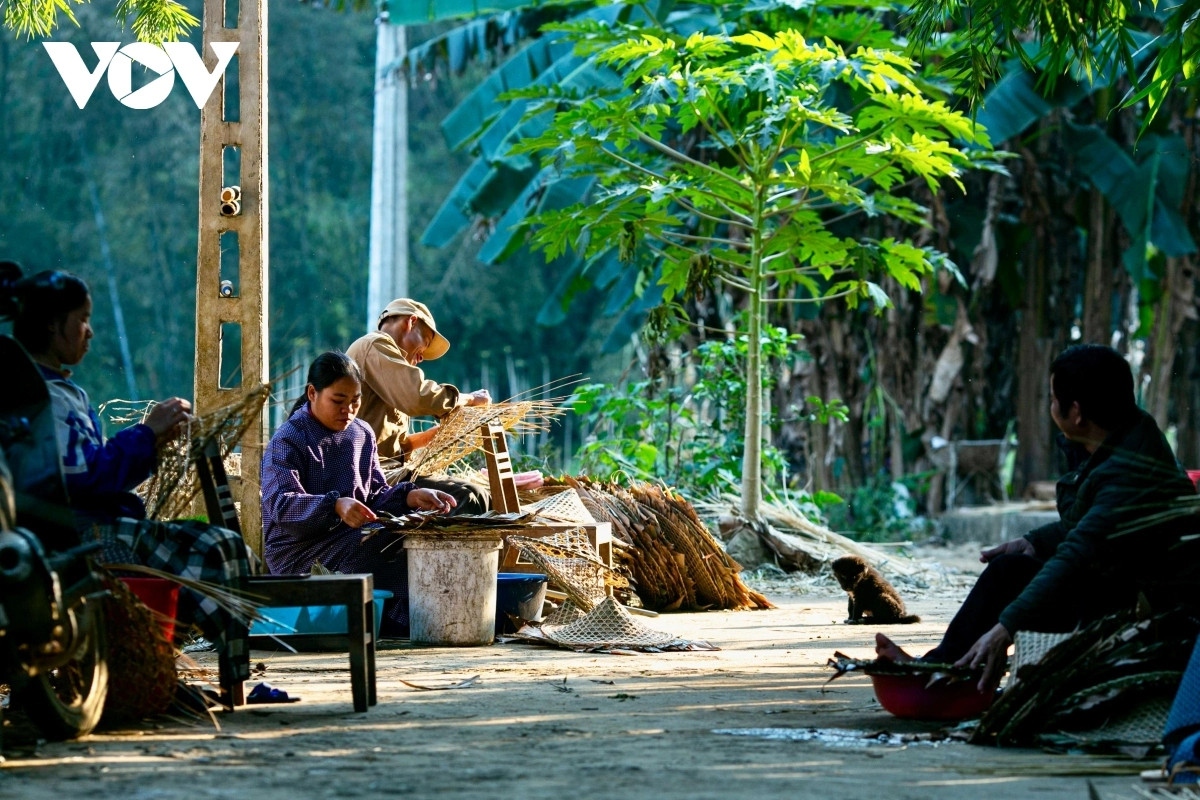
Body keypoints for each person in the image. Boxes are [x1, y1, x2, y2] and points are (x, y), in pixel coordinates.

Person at [876, 344, 1198, 691]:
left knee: (1012, 575)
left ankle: (949, 671)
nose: (1049, 406)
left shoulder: (1128, 469)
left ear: (1075, 412)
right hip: (1125, 583)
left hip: (1149, 610)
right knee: (1011, 567)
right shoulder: (1126, 435)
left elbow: (1078, 552)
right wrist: (1033, 541)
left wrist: (1005, 628)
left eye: (1051, 397)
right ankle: (947, 664)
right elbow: (1092, 524)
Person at [0, 262, 252, 685]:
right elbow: (85, 478)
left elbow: (91, 468)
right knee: (217, 545)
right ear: (51, 326)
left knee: (219, 546)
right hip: (79, 534)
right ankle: (230, 676)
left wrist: (151, 440)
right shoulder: (45, 399)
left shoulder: (57, 392)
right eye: (82, 320)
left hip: (86, 524)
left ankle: (175, 668)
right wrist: (145, 433)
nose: (90, 332)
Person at [261, 351, 457, 637]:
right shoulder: (288, 440)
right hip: (300, 551)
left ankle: (406, 620)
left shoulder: (361, 433)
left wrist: (409, 497)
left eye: (355, 401)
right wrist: (335, 506)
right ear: (312, 393)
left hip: (353, 536)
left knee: (418, 536)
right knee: (385, 543)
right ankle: (398, 621)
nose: (348, 410)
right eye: (338, 401)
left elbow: (375, 493)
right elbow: (281, 505)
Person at [346, 298, 492, 515]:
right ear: (411, 322)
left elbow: (393, 446)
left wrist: (432, 436)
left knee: (479, 494)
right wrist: (468, 399)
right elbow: (419, 397)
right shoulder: (374, 345)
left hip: (388, 471)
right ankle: (414, 550)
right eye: (425, 340)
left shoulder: (387, 364)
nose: (422, 356)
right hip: (371, 478)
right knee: (469, 497)